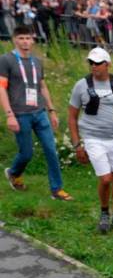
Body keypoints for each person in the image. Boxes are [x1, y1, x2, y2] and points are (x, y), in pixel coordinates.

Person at [67, 47, 113, 233]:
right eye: (91, 63)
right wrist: (77, 145)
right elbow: (72, 117)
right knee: (105, 178)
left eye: (98, 63)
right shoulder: (81, 85)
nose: (94, 66)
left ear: (107, 64)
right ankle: (104, 213)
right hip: (93, 138)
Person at [2, 25, 72, 201]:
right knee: (26, 153)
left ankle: (57, 189)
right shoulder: (6, 60)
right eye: (21, 38)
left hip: (40, 113)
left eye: (28, 38)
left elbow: (42, 86)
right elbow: (1, 89)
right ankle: (13, 172)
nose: (25, 42)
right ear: (15, 40)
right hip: (20, 114)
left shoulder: (37, 62)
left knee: (51, 150)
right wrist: (9, 115)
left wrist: (52, 110)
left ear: (33, 40)